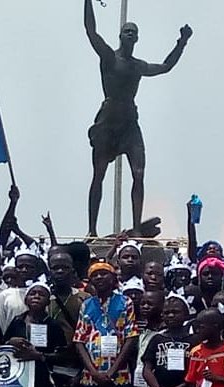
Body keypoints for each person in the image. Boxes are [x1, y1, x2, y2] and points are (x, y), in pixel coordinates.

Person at [83, 0, 192, 236]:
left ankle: (137, 228)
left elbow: (165, 67)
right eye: (126, 31)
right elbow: (91, 31)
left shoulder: (137, 66)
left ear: (137, 39)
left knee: (139, 173)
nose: (130, 34)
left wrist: (181, 43)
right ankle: (92, 229)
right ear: (120, 36)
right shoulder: (110, 59)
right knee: (99, 173)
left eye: (133, 32)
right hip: (108, 121)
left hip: (130, 123)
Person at [73, 260, 139, 387]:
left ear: (113, 279)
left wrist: (111, 371)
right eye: (95, 275)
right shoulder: (87, 304)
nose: (100, 278)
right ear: (90, 281)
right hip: (91, 378)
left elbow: (130, 337)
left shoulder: (125, 302)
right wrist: (93, 372)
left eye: (104, 274)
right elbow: (79, 341)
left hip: (119, 376)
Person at [46, 252, 89, 387]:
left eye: (65, 267)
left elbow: (92, 340)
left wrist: (83, 373)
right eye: (55, 267)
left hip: (77, 373)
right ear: (49, 270)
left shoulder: (84, 299)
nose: (60, 271)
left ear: (73, 270)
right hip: (48, 373)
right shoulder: (43, 299)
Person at [0, 245, 40, 333]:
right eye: (20, 267)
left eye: (29, 267)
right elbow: (1, 323)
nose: (24, 270)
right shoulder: (5, 295)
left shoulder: (44, 293)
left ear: (36, 269)